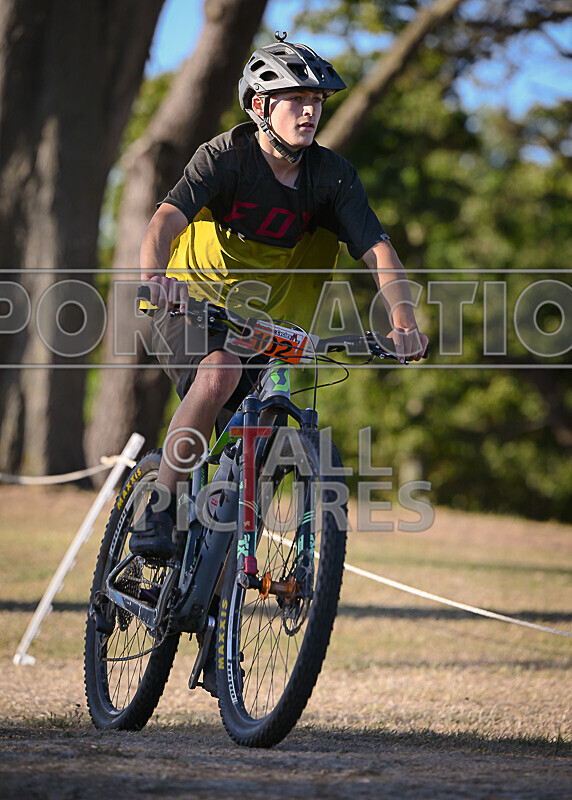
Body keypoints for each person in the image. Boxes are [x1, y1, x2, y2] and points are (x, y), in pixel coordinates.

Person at [130, 36, 428, 562]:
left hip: (270, 328)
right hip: (191, 303)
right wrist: (155, 277)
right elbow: (164, 221)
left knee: (262, 450)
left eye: (317, 101)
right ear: (261, 106)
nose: (310, 110)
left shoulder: (332, 177)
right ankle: (159, 503)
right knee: (219, 372)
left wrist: (403, 321)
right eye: (297, 99)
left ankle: (216, 595)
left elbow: (379, 252)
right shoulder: (225, 158)